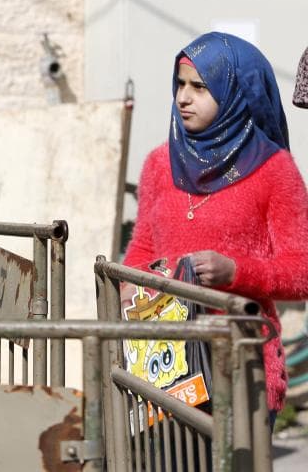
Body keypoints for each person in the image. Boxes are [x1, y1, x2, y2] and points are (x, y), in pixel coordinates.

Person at [123, 32, 308, 418]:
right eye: (180, 84)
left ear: (234, 94)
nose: (182, 98)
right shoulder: (160, 164)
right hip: (165, 368)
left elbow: (301, 269)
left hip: (240, 366)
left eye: (200, 87)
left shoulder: (274, 170)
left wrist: (235, 271)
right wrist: (129, 284)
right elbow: (144, 247)